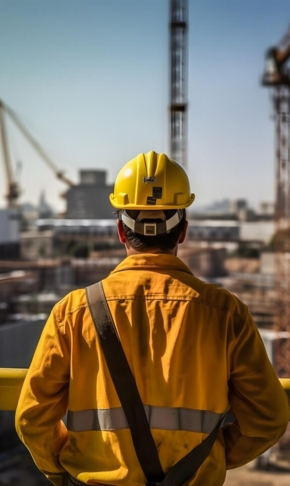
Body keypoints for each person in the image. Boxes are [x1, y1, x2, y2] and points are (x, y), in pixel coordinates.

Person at [15, 151, 289, 486]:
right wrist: (212, 457)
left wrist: (59, 469)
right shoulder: (226, 314)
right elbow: (269, 418)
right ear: (183, 231)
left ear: (120, 231)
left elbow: (32, 417)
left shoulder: (73, 312)